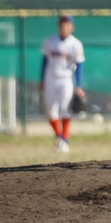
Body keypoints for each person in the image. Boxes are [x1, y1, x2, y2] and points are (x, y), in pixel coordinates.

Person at [39, 14, 86, 153]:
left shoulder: (76, 44)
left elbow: (80, 65)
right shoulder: (50, 41)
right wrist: (41, 79)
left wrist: (79, 86)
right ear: (58, 25)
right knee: (50, 111)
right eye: (62, 22)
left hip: (66, 79)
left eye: (67, 23)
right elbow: (44, 61)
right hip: (50, 78)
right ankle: (60, 137)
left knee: (65, 109)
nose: (64, 25)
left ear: (72, 27)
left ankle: (64, 140)